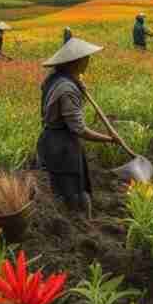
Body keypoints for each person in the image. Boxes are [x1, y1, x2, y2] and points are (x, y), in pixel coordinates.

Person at [37, 38, 122, 214]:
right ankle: (81, 224)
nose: (88, 61)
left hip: (53, 140)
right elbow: (79, 129)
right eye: (86, 58)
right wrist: (109, 139)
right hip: (62, 145)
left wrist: (78, 83)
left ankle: (79, 221)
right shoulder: (67, 89)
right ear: (76, 62)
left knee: (71, 185)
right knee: (73, 191)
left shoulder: (55, 79)